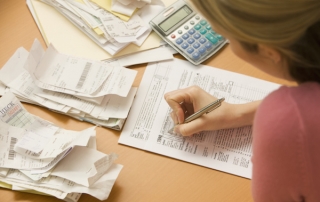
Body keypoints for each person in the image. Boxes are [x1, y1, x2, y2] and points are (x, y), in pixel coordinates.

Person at [164, 0, 320, 201]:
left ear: (268, 52)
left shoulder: (290, 122)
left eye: (226, 36)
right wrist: (238, 114)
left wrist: (278, 116)